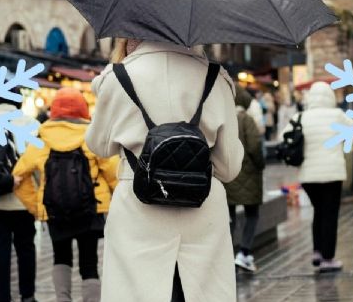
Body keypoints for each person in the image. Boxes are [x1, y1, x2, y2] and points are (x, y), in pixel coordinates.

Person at [85, 38, 243, 302]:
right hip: (202, 212)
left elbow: (99, 145)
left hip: (139, 211)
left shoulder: (119, 77)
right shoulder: (216, 78)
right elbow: (228, 168)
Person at [14, 88, 118, 302]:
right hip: (91, 208)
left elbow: (19, 175)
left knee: (60, 257)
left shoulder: (41, 138)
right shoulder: (91, 136)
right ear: (82, 110)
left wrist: (36, 206)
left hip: (54, 210)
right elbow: (114, 173)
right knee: (89, 263)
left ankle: (63, 299)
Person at [280, 82, 353, 273]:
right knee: (329, 215)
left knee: (319, 212)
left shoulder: (301, 117)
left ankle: (317, 251)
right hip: (332, 173)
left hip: (308, 175)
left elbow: (283, 137)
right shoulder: (337, 116)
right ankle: (328, 258)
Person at [0, 88, 38, 302]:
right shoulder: (29, 123)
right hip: (23, 200)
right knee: (26, 249)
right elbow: (39, 164)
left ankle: (2, 298)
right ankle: (27, 296)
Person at [224, 85, 265, 272]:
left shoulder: (223, 120)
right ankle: (244, 252)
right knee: (252, 214)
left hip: (228, 176)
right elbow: (255, 145)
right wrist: (260, 164)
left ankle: (227, 253)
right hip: (248, 174)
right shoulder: (246, 119)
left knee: (229, 216)